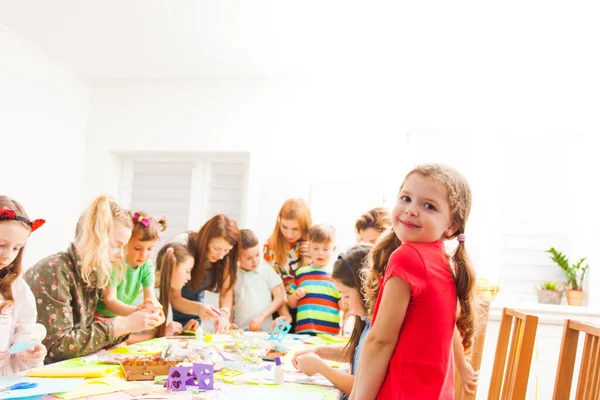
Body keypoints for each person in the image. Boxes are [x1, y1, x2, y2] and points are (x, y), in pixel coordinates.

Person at [350, 164, 477, 400]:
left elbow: (380, 342)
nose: (411, 210)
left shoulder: (408, 258)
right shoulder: (444, 262)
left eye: (428, 205)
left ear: (451, 226)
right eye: (406, 198)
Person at [24, 195, 162, 363]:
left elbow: (85, 341)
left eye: (123, 247)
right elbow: (55, 349)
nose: (120, 255)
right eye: (115, 245)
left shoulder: (90, 275)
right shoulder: (54, 271)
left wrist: (130, 324)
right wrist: (122, 326)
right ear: (93, 237)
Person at [292, 244, 371, 399]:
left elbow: (361, 388)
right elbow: (356, 353)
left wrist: (321, 368)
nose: (345, 302)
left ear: (365, 288)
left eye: (346, 295)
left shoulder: (378, 329)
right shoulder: (366, 321)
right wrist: (318, 351)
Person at [169, 214, 239, 333]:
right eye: (216, 248)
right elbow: (173, 297)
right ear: (205, 239)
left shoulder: (225, 258)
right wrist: (199, 308)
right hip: (169, 315)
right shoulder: (182, 245)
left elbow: (226, 293)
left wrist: (224, 316)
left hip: (194, 319)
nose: (221, 255)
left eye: (227, 250)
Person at [0, 196, 47, 375]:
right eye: (1, 244)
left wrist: (26, 349)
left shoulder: (16, 288)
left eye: (16, 248)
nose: (7, 255)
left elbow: (23, 329)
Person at [96, 211, 167, 318]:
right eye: (138, 248)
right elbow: (110, 301)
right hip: (97, 317)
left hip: (118, 318)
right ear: (126, 242)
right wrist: (136, 311)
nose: (144, 254)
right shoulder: (115, 262)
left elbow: (150, 298)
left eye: (150, 249)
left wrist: (155, 308)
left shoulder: (146, 266)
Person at [263, 198, 312, 328]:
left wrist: (314, 252)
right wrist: (284, 312)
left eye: (295, 229)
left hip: (307, 310)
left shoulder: (314, 244)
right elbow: (274, 284)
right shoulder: (271, 245)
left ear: (305, 226)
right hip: (281, 307)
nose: (289, 234)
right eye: (284, 227)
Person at [287, 224, 341, 335]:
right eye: (315, 248)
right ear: (309, 248)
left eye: (325, 249)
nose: (320, 253)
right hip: (303, 332)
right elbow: (291, 304)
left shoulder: (336, 276)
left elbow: (343, 305)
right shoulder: (301, 273)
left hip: (329, 335)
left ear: (333, 249)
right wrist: (295, 295)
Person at [233, 229, 284, 331]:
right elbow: (229, 303)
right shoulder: (233, 274)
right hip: (239, 330)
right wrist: (229, 323)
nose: (254, 261)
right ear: (237, 258)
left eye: (257, 255)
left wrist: (262, 317)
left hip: (264, 330)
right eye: (248, 258)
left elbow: (280, 298)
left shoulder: (267, 270)